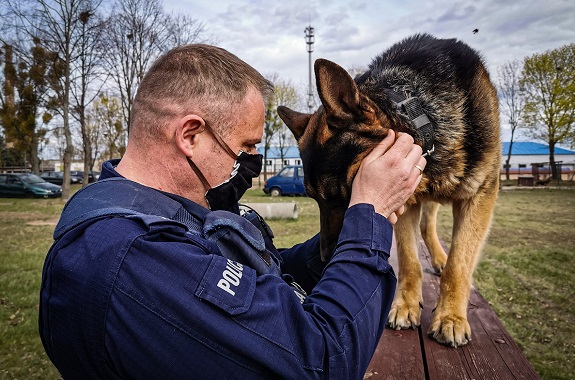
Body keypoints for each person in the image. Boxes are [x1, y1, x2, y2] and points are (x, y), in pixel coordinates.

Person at [39, 44, 426, 379]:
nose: (253, 159)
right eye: (247, 144)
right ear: (190, 136)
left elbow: (259, 283)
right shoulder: (133, 261)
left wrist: (337, 241)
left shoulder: (163, 215)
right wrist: (369, 216)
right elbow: (324, 363)